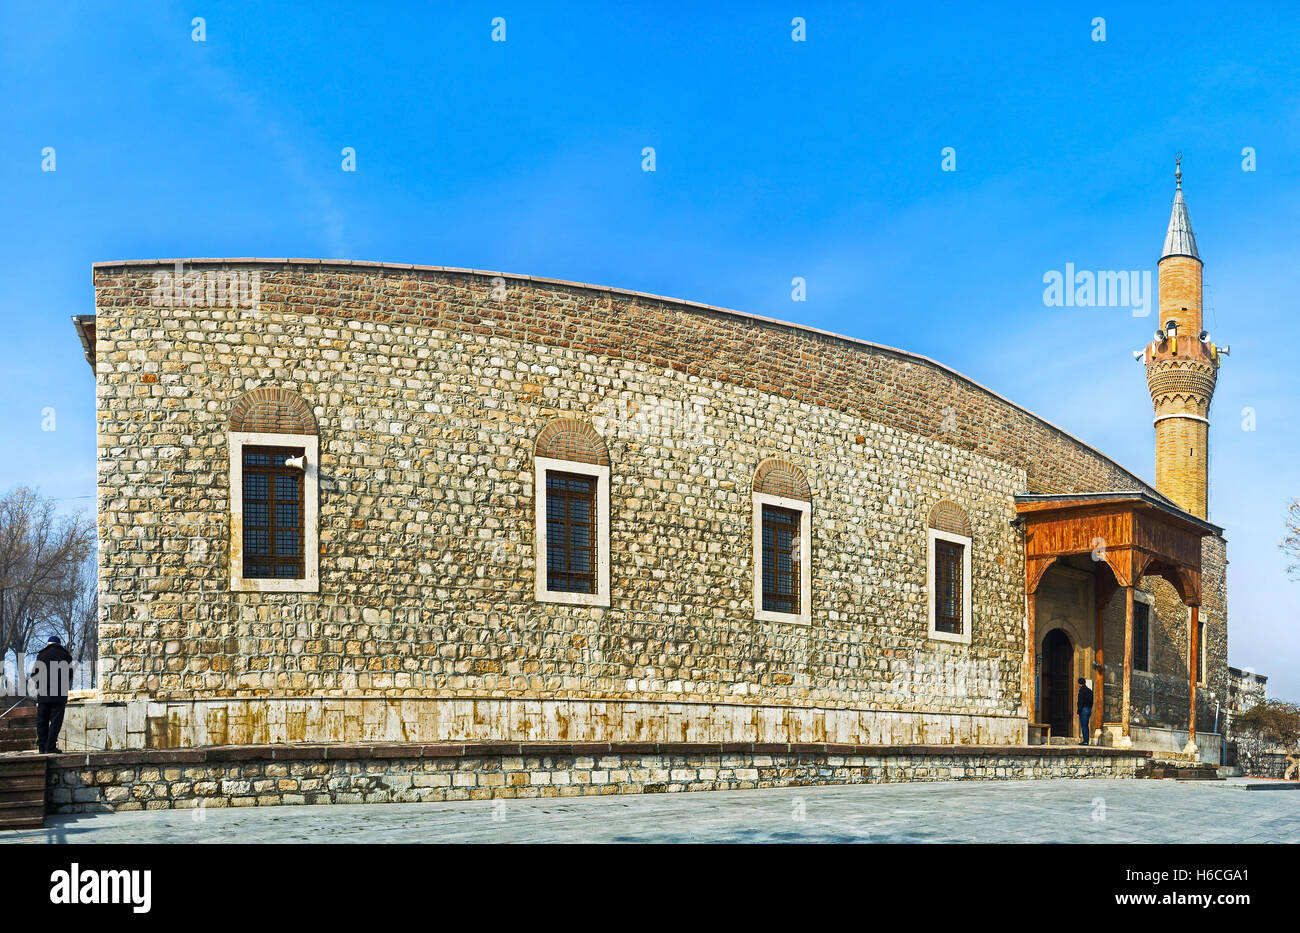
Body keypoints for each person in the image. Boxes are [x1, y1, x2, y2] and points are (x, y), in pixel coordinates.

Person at [29, 636, 74, 754]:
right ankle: (51, 746)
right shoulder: (66, 656)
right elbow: (69, 676)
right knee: (55, 722)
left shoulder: (42, 655)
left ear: (48, 644)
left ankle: (42, 747)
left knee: (42, 721)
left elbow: (34, 675)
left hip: (44, 694)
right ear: (59, 644)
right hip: (59, 695)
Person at [1076, 677, 1094, 746]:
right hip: (1089, 709)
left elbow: (1080, 702)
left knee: (1084, 726)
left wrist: (1078, 712)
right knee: (1086, 725)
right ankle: (1086, 740)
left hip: (1083, 709)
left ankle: (1085, 741)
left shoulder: (1081, 691)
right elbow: (1091, 702)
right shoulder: (1090, 691)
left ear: (1080, 684)